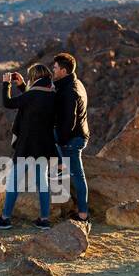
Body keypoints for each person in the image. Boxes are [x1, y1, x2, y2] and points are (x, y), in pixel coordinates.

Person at [0, 63, 58, 229]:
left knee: (13, 181)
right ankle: (44, 220)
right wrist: (22, 85)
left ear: (34, 77)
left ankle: (5, 218)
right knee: (42, 183)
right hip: (44, 146)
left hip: (27, 146)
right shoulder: (52, 94)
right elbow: (33, 100)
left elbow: (8, 103)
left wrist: (6, 83)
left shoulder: (32, 95)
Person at [51, 52, 90, 222]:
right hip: (78, 135)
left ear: (64, 71)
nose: (53, 70)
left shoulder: (69, 91)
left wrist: (59, 143)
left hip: (72, 139)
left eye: (56, 68)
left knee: (78, 176)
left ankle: (83, 214)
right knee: (76, 175)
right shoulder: (75, 83)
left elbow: (69, 122)